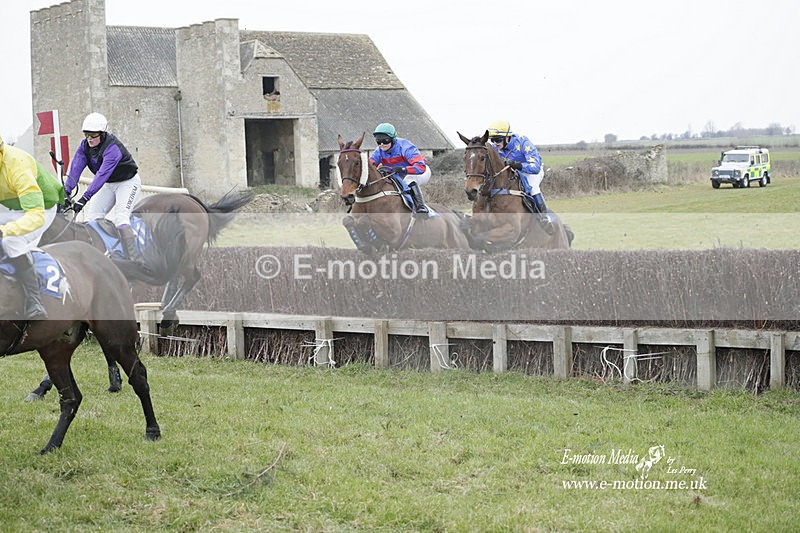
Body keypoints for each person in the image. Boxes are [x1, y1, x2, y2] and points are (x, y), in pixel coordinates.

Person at [0, 134, 64, 319]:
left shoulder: (16, 165)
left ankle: (35, 302)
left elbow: (35, 216)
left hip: (41, 208)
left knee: (11, 242)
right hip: (10, 206)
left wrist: (5, 230)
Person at [64, 112, 142, 261]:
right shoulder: (84, 146)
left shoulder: (112, 148)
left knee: (121, 219)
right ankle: (108, 253)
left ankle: (135, 260)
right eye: (87, 134)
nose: (89, 139)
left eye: (93, 135)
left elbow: (101, 175)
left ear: (102, 133)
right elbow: (75, 169)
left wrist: (85, 198)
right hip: (110, 184)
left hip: (128, 182)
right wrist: (67, 191)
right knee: (93, 218)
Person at [486, 120, 556, 234]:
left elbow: (535, 167)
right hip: (513, 172)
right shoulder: (495, 148)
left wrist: (517, 164)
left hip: (530, 171)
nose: (495, 143)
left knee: (532, 187)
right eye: (492, 140)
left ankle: (545, 218)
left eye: (498, 139)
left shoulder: (523, 142)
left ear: (507, 137)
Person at [369, 123, 431, 217]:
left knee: (408, 179)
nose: (382, 144)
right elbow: (369, 166)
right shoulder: (379, 151)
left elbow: (420, 167)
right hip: (398, 175)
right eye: (378, 141)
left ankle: (421, 207)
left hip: (420, 172)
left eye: (385, 140)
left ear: (393, 139)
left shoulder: (406, 147)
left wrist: (403, 169)